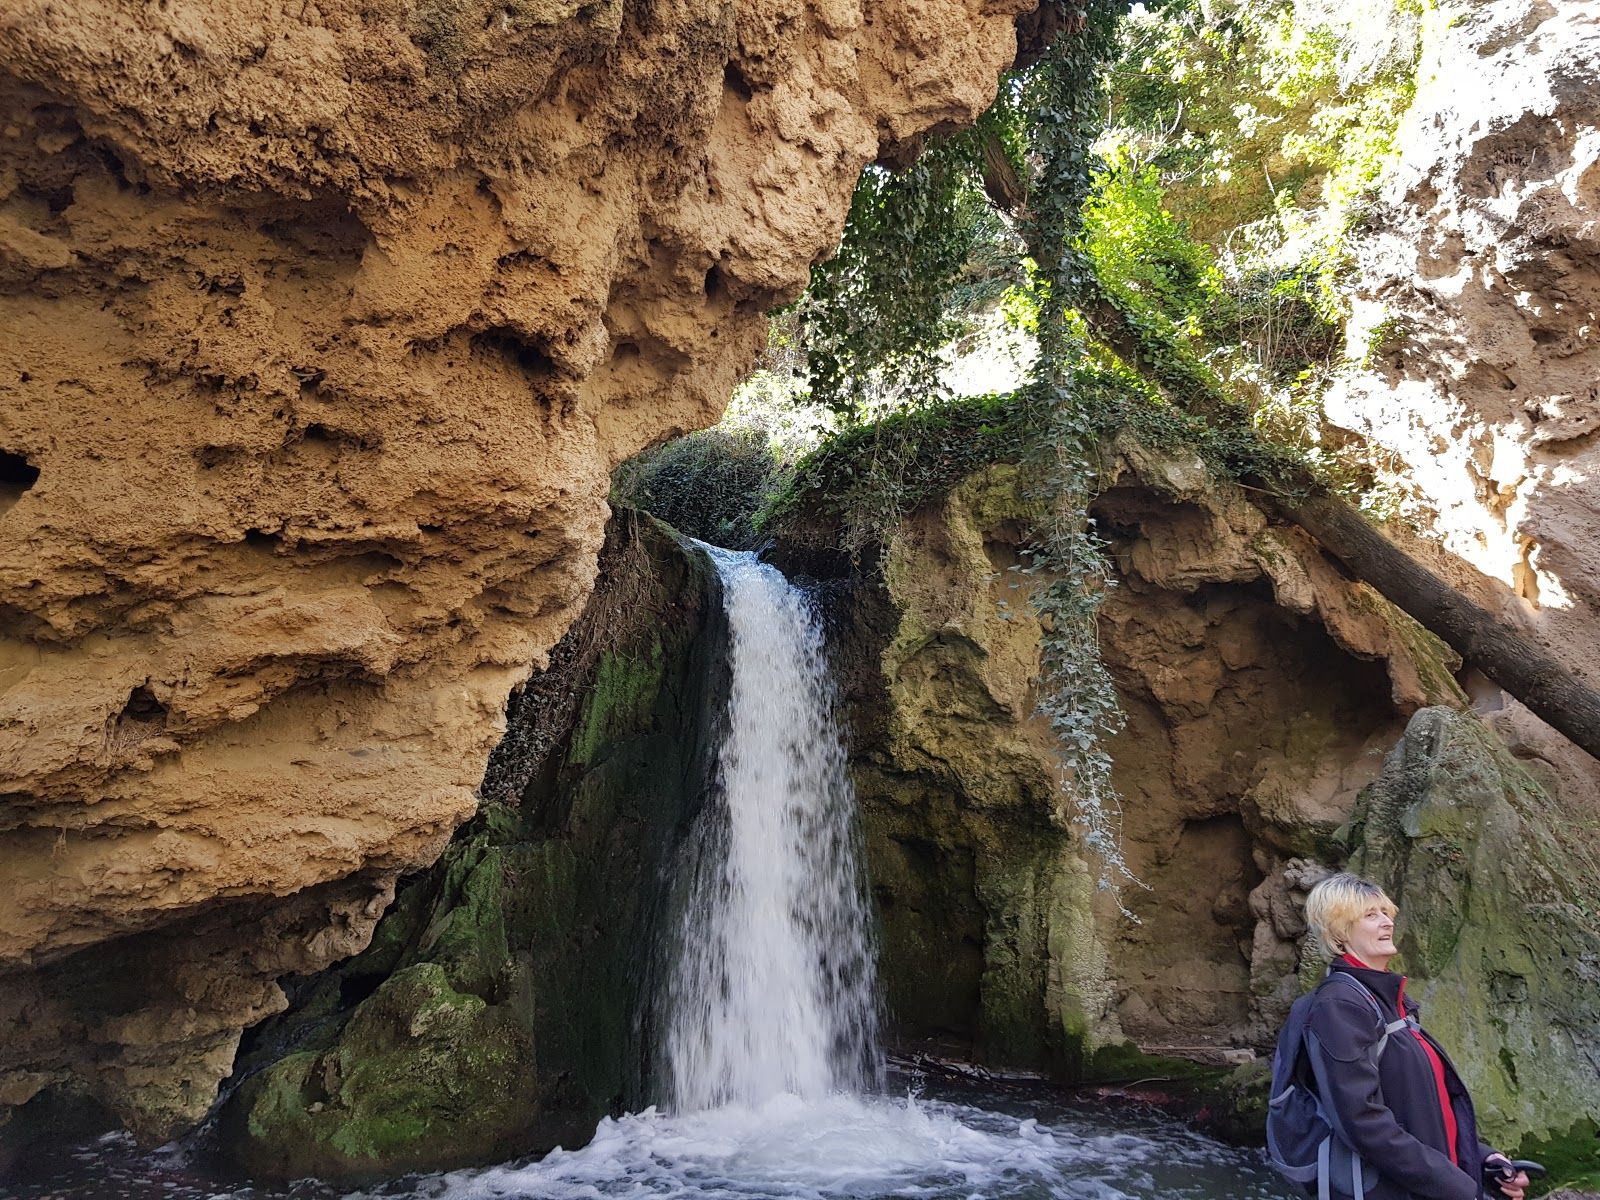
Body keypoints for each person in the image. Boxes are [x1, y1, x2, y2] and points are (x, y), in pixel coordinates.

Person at [1300, 873, 1531, 1200]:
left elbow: (1425, 1111)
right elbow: (1364, 1124)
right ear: (1339, 932)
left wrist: (1483, 1161)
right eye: (1370, 915)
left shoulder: (1391, 1003)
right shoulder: (1339, 1005)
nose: (1386, 922)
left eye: (1385, 912)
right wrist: (1462, 1190)